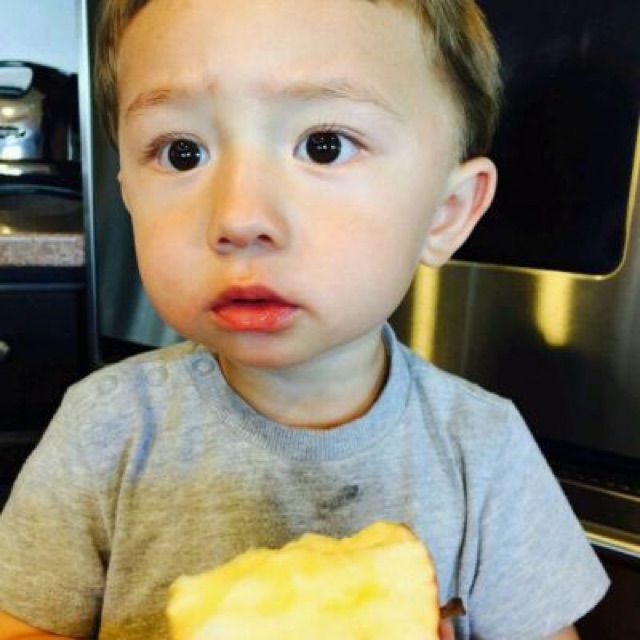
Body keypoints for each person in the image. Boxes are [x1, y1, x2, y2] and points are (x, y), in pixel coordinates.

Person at [0, 0, 609, 638]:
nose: (239, 219)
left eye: (324, 146)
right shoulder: (105, 428)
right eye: (182, 153)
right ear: (127, 193)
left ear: (446, 212)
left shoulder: (483, 450)